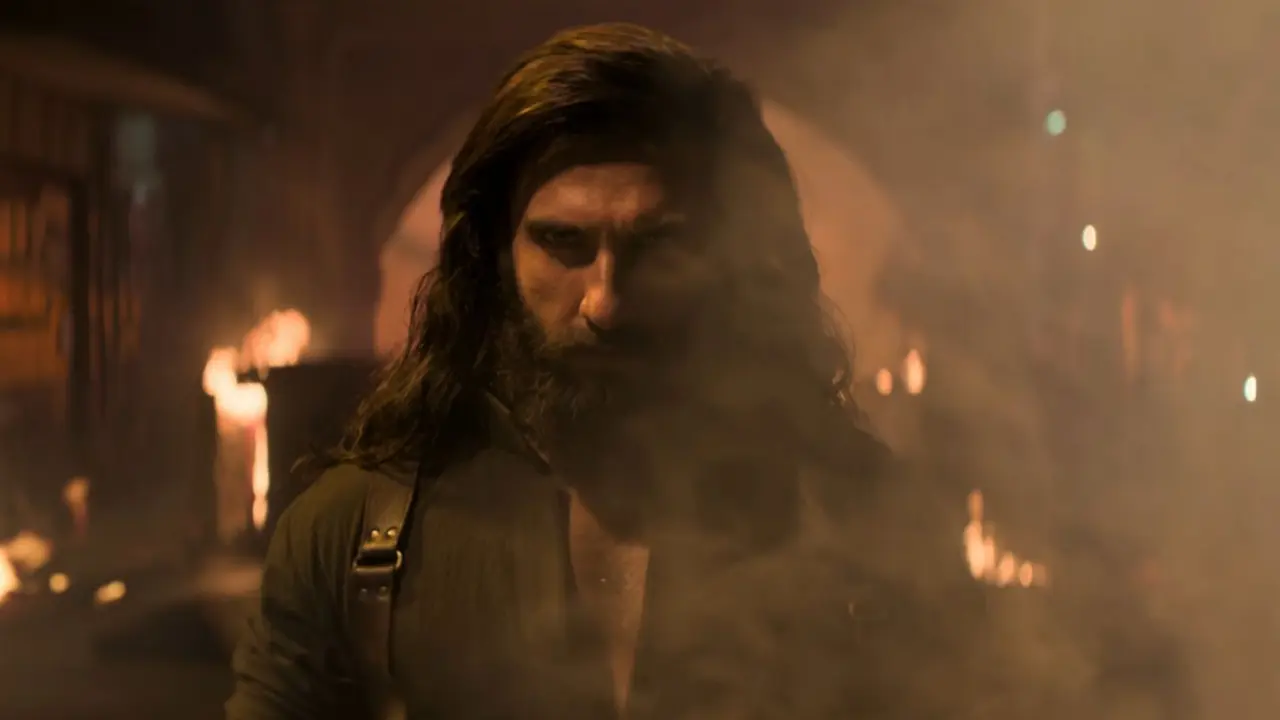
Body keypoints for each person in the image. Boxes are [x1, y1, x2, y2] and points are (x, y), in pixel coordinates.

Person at [227, 22, 989, 720]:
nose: (607, 302)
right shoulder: (355, 539)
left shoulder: (875, 530)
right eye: (562, 243)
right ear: (493, 262)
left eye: (658, 247)